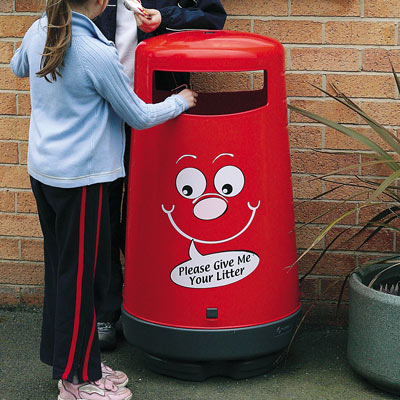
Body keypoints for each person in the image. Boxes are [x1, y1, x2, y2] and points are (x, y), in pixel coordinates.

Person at [10, 0, 197, 399]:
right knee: (81, 280)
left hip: (45, 172)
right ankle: (79, 381)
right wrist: (181, 102)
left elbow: (17, 67)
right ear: (98, 4)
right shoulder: (96, 52)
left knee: (62, 271)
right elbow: (140, 116)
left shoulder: (40, 29)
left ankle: (75, 362)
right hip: (84, 179)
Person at [93, 0, 227, 351]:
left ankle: (156, 303)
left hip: (160, 109)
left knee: (154, 211)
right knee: (103, 213)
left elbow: (213, 19)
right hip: (101, 113)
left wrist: (165, 20)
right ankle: (106, 312)